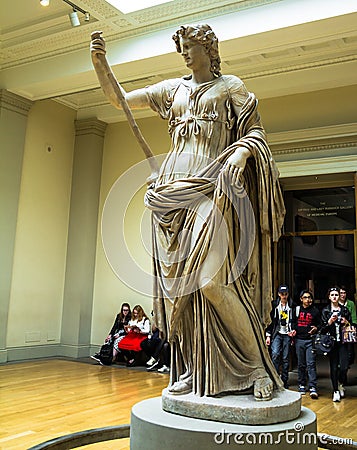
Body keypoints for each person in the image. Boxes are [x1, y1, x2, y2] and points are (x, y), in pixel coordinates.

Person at [91, 24, 285, 400]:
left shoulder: (231, 87)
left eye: (191, 46)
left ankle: (257, 368)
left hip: (212, 190)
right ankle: (194, 371)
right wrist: (100, 63)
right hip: (172, 198)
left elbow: (257, 133)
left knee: (211, 284)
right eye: (182, 46)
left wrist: (242, 152)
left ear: (209, 49)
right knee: (182, 293)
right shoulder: (171, 89)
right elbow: (120, 100)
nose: (185, 52)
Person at [321, 287, 352, 402]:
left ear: (339, 296)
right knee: (333, 366)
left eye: (336, 294)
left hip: (343, 341)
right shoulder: (325, 311)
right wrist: (329, 322)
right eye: (332, 295)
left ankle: (340, 383)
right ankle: (335, 390)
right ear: (329, 297)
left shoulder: (344, 310)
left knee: (344, 366)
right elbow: (322, 329)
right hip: (332, 342)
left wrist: (346, 322)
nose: (334, 297)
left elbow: (351, 324)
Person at [265, 285, 296, 389]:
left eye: (286, 294)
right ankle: (275, 378)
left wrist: (293, 331)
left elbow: (295, 320)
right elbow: (270, 322)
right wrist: (268, 335)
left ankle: (284, 380)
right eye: (282, 294)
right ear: (278, 294)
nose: (284, 296)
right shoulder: (274, 305)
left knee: (286, 358)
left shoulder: (292, 305)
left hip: (287, 333)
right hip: (277, 332)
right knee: (275, 354)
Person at [293, 290, 320, 398]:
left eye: (309, 297)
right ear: (301, 299)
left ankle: (313, 386)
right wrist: (294, 330)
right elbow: (293, 322)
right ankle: (302, 384)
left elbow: (320, 323)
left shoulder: (315, 311)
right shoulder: (297, 310)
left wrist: (316, 328)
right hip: (299, 339)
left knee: (311, 363)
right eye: (305, 297)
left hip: (310, 340)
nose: (308, 300)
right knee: (301, 364)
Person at [339, 286, 356, 367]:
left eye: (344, 293)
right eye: (341, 293)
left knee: (350, 350)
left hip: (348, 329)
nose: (343, 295)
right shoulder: (335, 303)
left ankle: (347, 364)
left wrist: (351, 325)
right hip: (338, 329)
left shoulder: (350, 303)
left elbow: (354, 317)